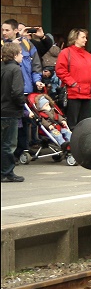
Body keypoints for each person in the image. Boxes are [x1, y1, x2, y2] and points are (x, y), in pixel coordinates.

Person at [2, 19, 44, 161]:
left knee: (25, 124)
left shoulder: (27, 44)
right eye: (2, 30)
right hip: (9, 93)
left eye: (7, 30)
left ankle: (22, 151)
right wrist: (9, 47)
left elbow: (36, 65)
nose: (4, 33)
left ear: (15, 31)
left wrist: (37, 80)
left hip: (26, 90)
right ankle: (10, 158)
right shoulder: (3, 45)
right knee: (13, 126)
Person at [55, 28, 91, 129]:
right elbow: (60, 70)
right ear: (75, 38)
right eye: (83, 37)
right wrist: (73, 83)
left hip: (87, 93)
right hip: (73, 94)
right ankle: (72, 143)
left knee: (85, 124)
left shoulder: (88, 55)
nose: (86, 40)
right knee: (72, 124)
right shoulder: (66, 53)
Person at [1, 41, 26, 182]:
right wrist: (21, 104)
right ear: (15, 55)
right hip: (10, 110)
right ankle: (7, 172)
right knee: (9, 144)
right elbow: (17, 92)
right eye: (21, 53)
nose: (22, 56)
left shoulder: (2, 67)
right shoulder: (15, 70)